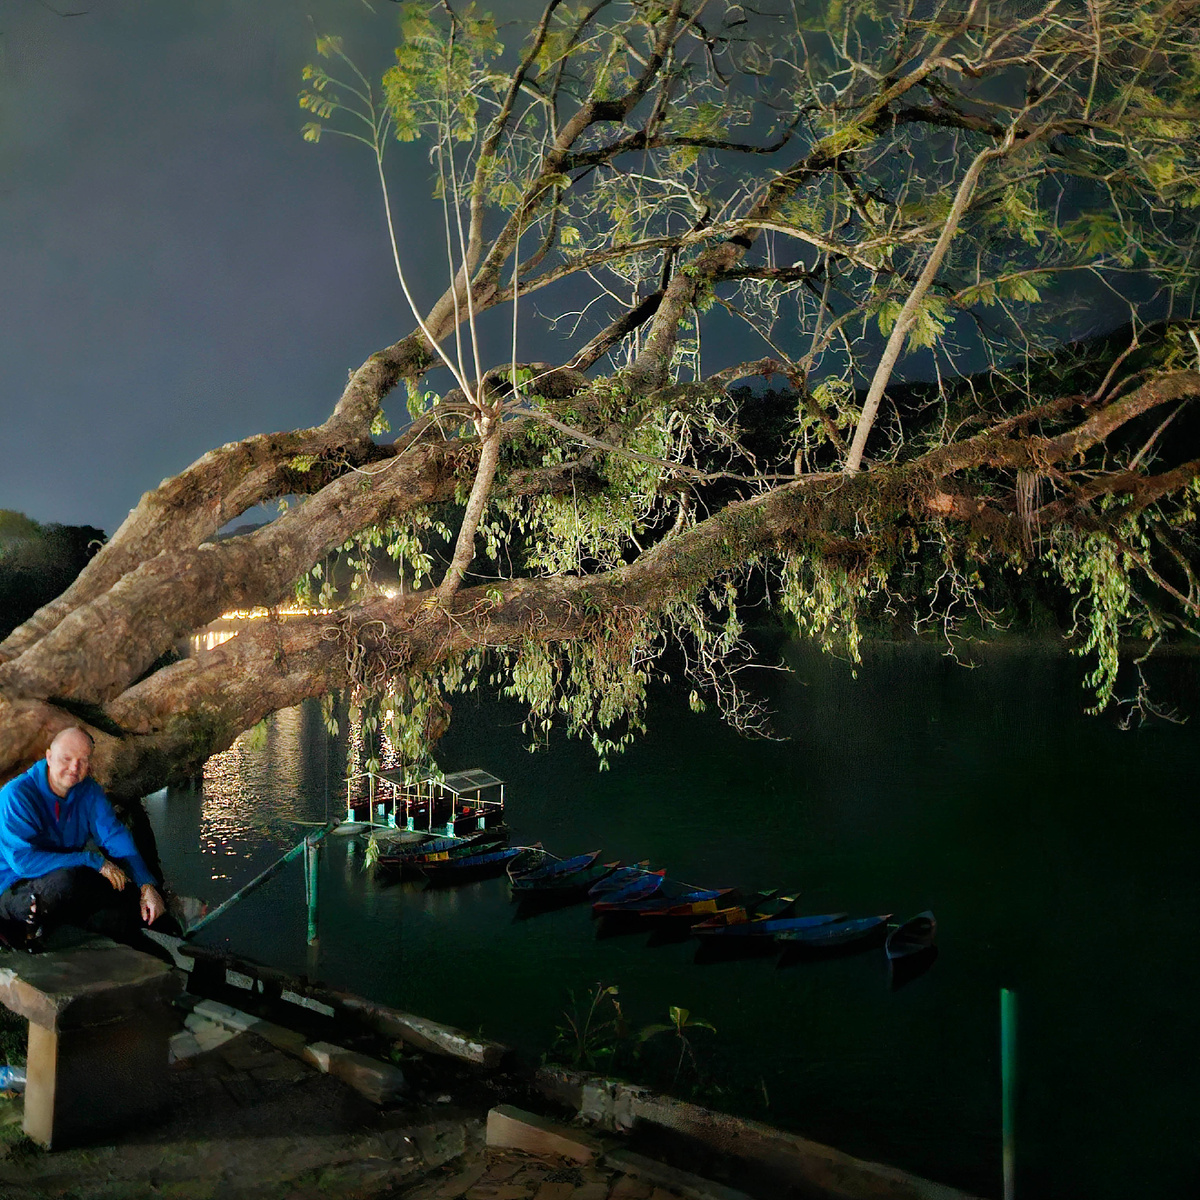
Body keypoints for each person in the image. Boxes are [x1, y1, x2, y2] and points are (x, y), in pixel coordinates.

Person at [0, 726, 167, 951]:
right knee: (65, 882)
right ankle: (23, 934)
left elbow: (114, 836)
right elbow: (23, 862)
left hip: (67, 873)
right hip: (13, 885)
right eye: (66, 758)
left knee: (123, 886)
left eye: (83, 760)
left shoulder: (89, 791)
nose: (74, 768)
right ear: (49, 757)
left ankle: (124, 929)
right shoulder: (16, 795)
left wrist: (146, 885)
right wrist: (92, 860)